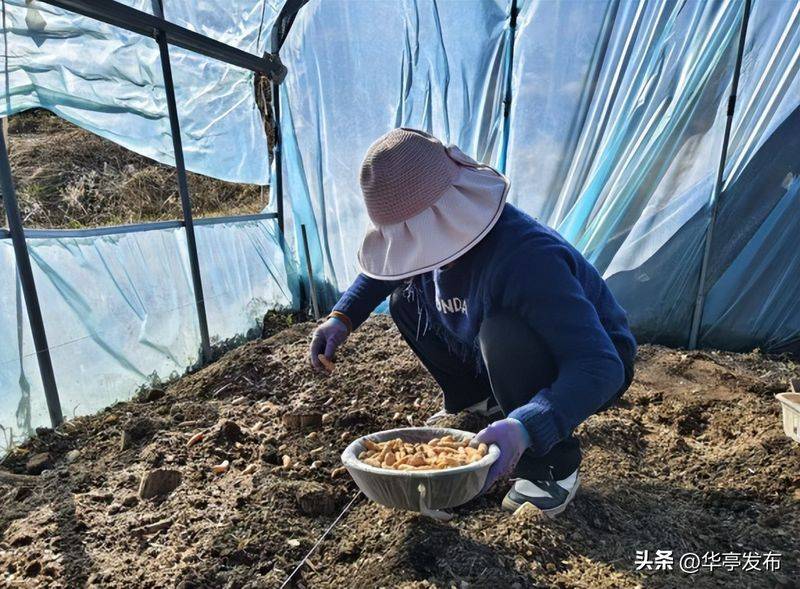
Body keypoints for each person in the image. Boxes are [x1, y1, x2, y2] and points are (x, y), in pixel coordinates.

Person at [308, 128, 636, 517]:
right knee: (406, 302)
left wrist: (529, 426)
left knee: (503, 336)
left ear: (444, 218)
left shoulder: (527, 259)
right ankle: (480, 403)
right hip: (497, 336)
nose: (412, 249)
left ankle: (552, 466)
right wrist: (342, 317)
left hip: (588, 362)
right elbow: (388, 271)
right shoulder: (435, 243)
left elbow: (600, 366)